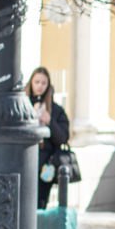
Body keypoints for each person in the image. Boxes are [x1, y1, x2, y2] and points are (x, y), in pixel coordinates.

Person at [26, 66, 71, 210]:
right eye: (37, 82)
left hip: (46, 164)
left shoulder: (56, 110)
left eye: (43, 83)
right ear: (31, 83)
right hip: (24, 161)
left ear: (48, 85)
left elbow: (63, 138)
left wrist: (49, 121)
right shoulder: (23, 106)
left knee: (40, 203)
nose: (40, 86)